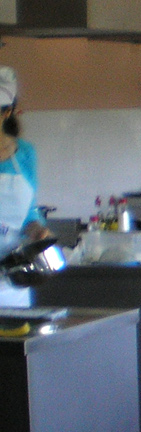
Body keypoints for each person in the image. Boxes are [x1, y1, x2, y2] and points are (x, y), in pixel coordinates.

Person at [0, 68, 54, 308]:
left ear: (7, 113)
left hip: (13, 277)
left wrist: (37, 231)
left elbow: (29, 213)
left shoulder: (25, 154)